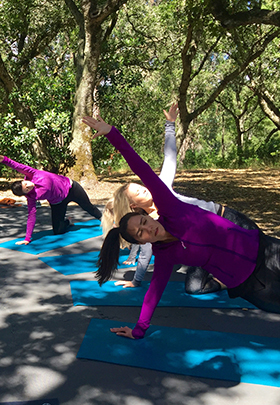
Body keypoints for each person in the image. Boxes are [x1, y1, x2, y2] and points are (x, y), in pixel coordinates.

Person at [83, 115, 280, 340]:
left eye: (145, 222)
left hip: (265, 250)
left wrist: (112, 134)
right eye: (141, 233)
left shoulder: (171, 208)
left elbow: (141, 168)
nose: (148, 229)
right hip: (251, 284)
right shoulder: (165, 256)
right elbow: (153, 293)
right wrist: (139, 330)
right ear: (141, 243)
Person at [100, 104, 259, 294]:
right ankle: (233, 280)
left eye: (142, 187)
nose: (145, 190)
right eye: (140, 193)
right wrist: (136, 280)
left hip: (224, 218)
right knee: (195, 286)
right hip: (205, 247)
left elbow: (169, 157)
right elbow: (147, 253)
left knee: (262, 249)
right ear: (134, 205)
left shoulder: (162, 190)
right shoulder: (150, 224)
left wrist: (170, 125)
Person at [0, 155, 102, 244]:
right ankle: (68, 221)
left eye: (26, 183)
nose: (29, 185)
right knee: (58, 231)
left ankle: (107, 221)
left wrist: (4, 160)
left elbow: (17, 166)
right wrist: (27, 238)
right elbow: (31, 216)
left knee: (89, 208)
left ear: (23, 180)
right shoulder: (32, 197)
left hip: (72, 189)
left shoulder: (32, 173)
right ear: (25, 194)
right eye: (27, 189)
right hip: (58, 202)